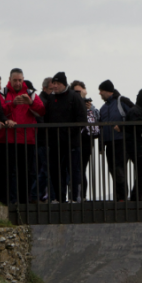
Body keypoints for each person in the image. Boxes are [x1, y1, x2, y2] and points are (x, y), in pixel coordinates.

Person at [0, 69, 45, 205]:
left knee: (26, 173)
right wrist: (13, 104)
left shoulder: (30, 94)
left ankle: (24, 202)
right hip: (6, 139)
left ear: (23, 79)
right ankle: (6, 201)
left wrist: (30, 103)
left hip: (27, 139)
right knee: (7, 173)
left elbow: (42, 111)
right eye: (15, 80)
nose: (18, 83)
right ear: (10, 79)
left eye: (20, 80)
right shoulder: (3, 93)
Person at [43, 72, 87, 202]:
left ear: (64, 84)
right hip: (55, 143)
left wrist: (71, 133)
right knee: (56, 171)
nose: (55, 86)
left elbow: (82, 119)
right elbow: (46, 119)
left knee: (74, 170)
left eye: (57, 84)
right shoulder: (50, 99)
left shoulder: (74, 97)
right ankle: (59, 197)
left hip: (72, 142)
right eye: (53, 83)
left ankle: (74, 197)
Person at [96, 80, 133, 202]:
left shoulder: (122, 101)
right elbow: (101, 127)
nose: (100, 93)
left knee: (119, 169)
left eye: (101, 91)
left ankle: (122, 197)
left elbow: (135, 115)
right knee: (113, 170)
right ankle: (120, 197)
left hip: (122, 141)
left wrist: (123, 127)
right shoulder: (103, 108)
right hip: (109, 144)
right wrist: (101, 146)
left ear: (107, 91)